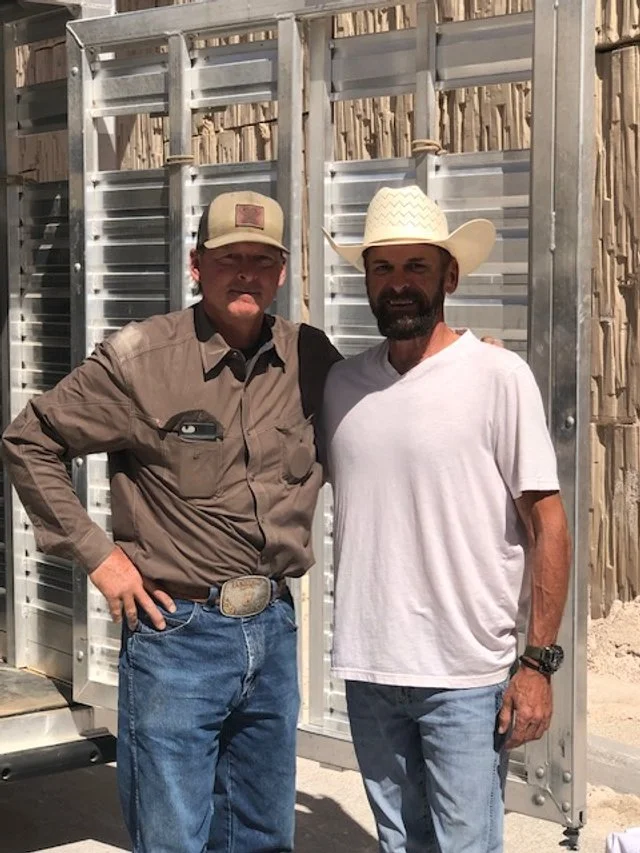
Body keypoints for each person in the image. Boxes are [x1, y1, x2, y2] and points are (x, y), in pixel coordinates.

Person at [1, 190, 342, 853]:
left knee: (264, 835)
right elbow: (29, 439)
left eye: (261, 259)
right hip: (177, 635)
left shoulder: (312, 359)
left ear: (281, 270)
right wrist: (100, 555)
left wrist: (461, 363)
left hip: (272, 631)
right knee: (173, 838)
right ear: (196, 263)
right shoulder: (141, 361)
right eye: (228, 258)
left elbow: (388, 403)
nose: (245, 273)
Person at [322, 184, 571, 853]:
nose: (398, 284)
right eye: (383, 268)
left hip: (465, 677)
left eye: (416, 267)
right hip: (371, 671)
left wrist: (539, 663)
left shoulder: (497, 375)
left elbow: (549, 525)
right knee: (400, 843)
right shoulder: (340, 387)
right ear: (366, 280)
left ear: (449, 275)